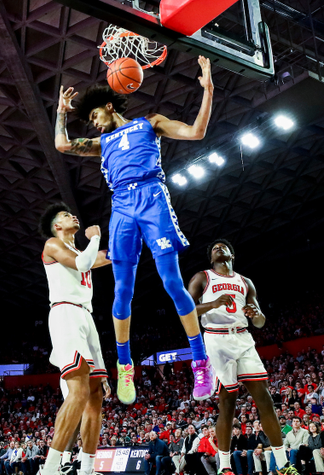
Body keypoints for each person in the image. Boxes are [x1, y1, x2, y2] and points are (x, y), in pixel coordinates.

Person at [54, 56, 215, 405]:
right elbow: (62, 145)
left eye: (95, 116)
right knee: (122, 290)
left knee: (172, 282)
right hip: (122, 206)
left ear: (109, 107)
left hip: (153, 197)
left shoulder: (149, 123)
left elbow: (196, 132)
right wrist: (61, 114)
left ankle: (201, 362)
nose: (94, 125)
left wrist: (208, 91)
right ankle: (124, 365)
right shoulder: (103, 144)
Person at [188, 239, 312, 475]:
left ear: (232, 254)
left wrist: (257, 315)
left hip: (243, 336)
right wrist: (212, 304)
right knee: (228, 401)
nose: (219, 249)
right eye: (214, 249)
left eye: (223, 247)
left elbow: (260, 322)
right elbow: (185, 308)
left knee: (264, 398)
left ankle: (282, 465)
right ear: (211, 259)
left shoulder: (246, 282)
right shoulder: (202, 277)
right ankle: (224, 469)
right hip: (216, 337)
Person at [32, 203, 113, 475]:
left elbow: (107, 258)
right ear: (56, 226)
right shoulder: (53, 244)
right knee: (78, 390)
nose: (73, 216)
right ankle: (48, 474)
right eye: (66, 215)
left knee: (95, 397)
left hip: (86, 316)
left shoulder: (82, 252)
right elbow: (83, 264)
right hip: (65, 312)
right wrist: (95, 237)